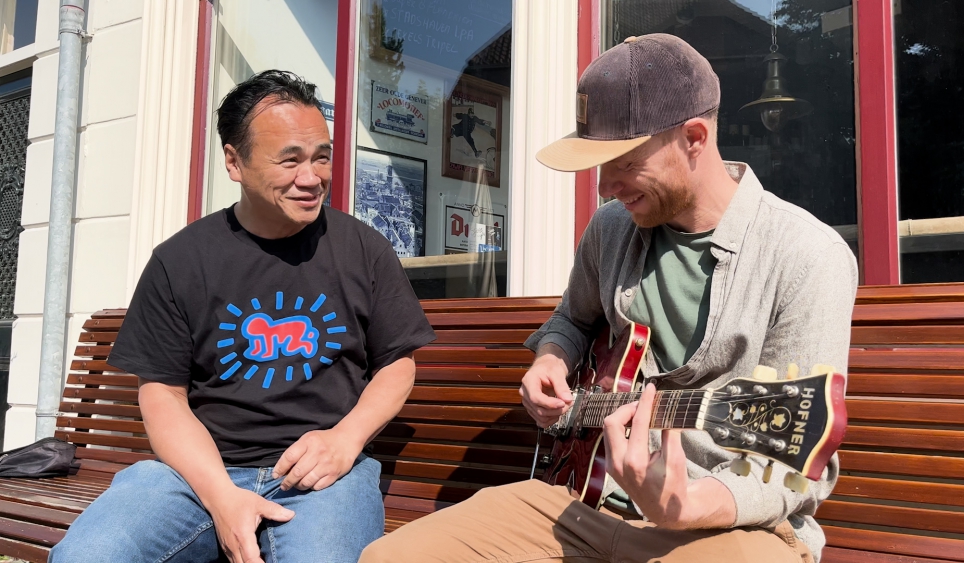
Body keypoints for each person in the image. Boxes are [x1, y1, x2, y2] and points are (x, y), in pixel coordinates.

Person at [360, 34, 857, 563]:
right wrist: (552, 357)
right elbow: (571, 319)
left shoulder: (807, 255)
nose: (604, 186)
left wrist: (692, 505)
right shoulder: (611, 229)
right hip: (584, 500)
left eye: (622, 161)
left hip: (731, 527)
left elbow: (796, 469)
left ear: (694, 136)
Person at [49, 70, 436, 563]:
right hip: (196, 476)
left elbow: (397, 364)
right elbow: (163, 394)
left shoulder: (364, 249)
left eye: (322, 156)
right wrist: (221, 497)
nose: (311, 178)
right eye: (290, 160)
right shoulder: (182, 260)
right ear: (234, 162)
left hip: (321, 476)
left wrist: (345, 440)